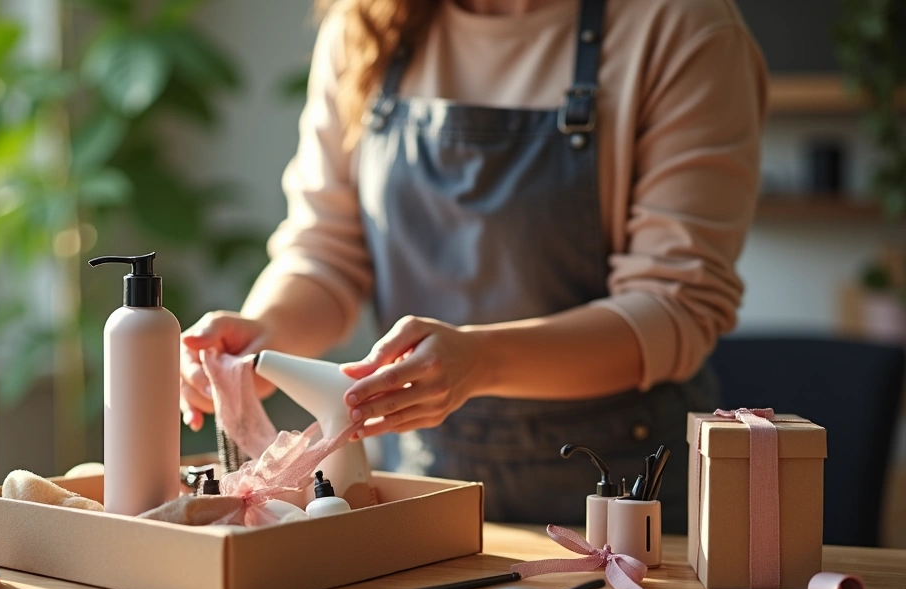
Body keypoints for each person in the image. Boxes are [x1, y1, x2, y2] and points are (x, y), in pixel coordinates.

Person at [180, 0, 767, 531]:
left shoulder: (681, 27)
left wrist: (480, 362)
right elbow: (327, 252)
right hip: (423, 484)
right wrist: (267, 334)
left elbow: (674, 304)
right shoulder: (366, 26)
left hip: (623, 495)